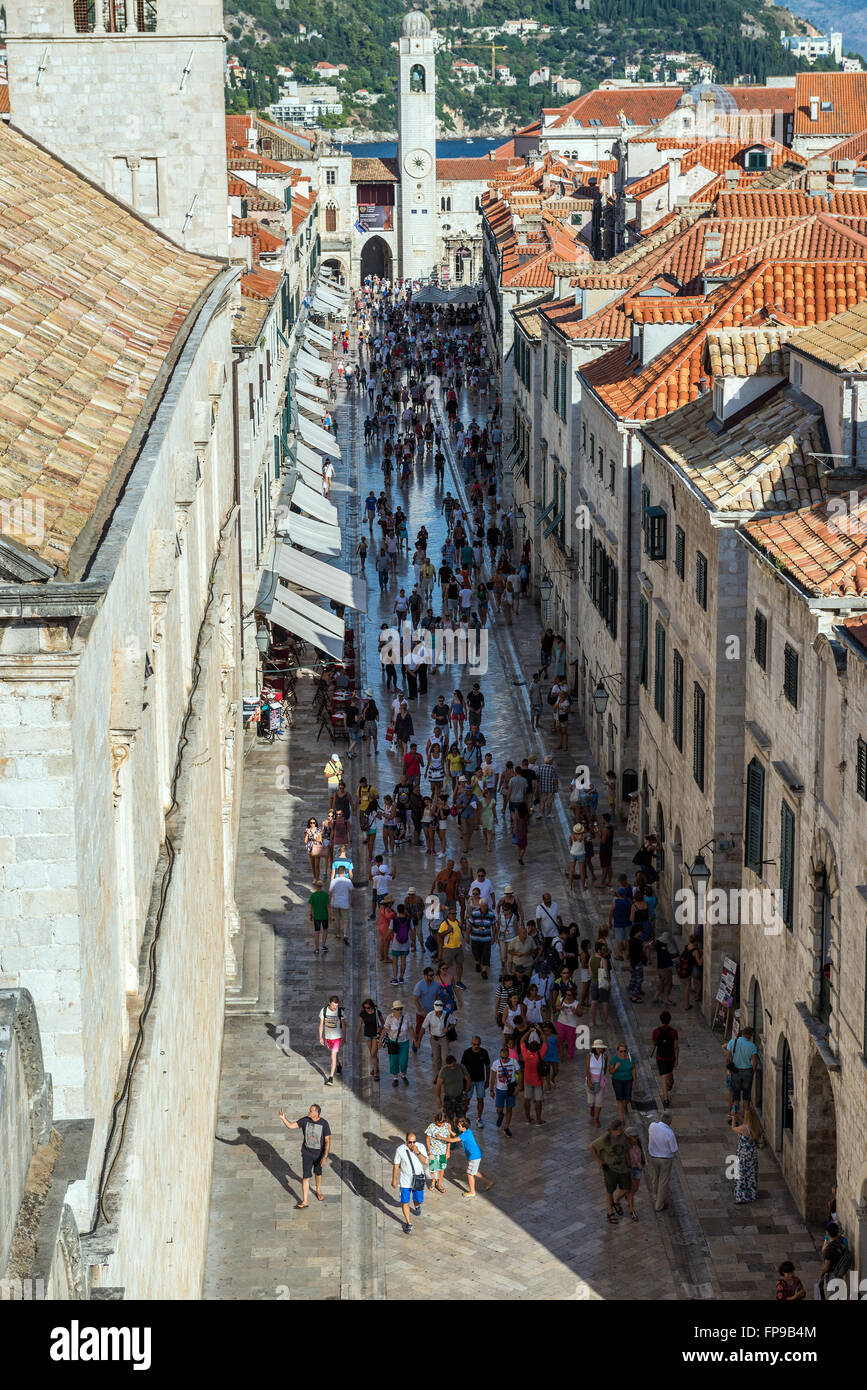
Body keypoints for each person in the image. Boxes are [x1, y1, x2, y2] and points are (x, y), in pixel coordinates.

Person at [277, 1104, 331, 1210]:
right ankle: (305, 1201)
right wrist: (283, 1118)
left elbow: (327, 1141)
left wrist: (325, 1156)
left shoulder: (324, 1123)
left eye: (311, 1111)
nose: (308, 1112)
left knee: (318, 1172)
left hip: (319, 1154)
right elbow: (291, 1126)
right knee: (306, 1176)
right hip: (307, 1153)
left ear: (316, 1113)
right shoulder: (305, 1120)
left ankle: (318, 1190)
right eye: (309, 1110)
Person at [589, 1118, 632, 1225]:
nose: (621, 1132)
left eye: (622, 1130)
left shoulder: (623, 1136)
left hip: (623, 1167)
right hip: (610, 1169)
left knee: (627, 1188)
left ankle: (616, 1201)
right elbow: (592, 1146)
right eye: (619, 1130)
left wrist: (629, 1164)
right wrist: (599, 1161)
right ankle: (610, 1213)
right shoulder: (605, 1138)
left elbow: (626, 1150)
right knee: (610, 1191)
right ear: (613, 1130)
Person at [392, 1132, 430, 1234]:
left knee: (419, 1199)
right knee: (405, 1201)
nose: (412, 1144)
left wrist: (417, 1152)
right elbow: (396, 1165)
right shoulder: (400, 1150)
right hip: (405, 1180)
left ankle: (417, 1205)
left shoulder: (420, 1147)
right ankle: (408, 1223)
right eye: (410, 1142)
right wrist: (394, 1179)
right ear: (406, 1141)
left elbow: (426, 1161)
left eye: (414, 1142)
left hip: (418, 1178)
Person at [724, 1026, 759, 1117]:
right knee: (746, 1098)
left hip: (735, 1072)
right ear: (749, 1036)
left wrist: (730, 1070)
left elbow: (727, 1059)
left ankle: (734, 1117)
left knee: (736, 1097)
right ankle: (746, 1119)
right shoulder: (752, 1046)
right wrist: (752, 1072)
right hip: (747, 1072)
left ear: (742, 1033)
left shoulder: (732, 1042)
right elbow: (755, 1062)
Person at [453, 1117, 493, 1197]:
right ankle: (489, 1182)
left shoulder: (465, 1135)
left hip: (474, 1157)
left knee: (469, 1173)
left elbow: (453, 1140)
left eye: (459, 1126)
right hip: (475, 1155)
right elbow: (457, 1136)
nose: (458, 1126)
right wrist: (450, 1131)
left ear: (464, 1127)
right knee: (474, 1172)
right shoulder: (467, 1132)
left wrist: (441, 1138)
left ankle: (472, 1192)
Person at [647, 1114, 678, 1212]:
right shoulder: (670, 1133)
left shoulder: (652, 1126)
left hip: (653, 1157)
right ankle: (659, 1205)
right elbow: (674, 1149)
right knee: (663, 1181)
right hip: (665, 1159)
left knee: (655, 1177)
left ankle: (655, 1196)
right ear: (670, 1122)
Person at [378, 1000, 411, 1087]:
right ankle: (395, 1077)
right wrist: (380, 1041)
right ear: (394, 1010)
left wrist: (416, 1040)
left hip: (404, 1042)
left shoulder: (406, 1017)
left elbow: (411, 1028)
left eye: (400, 1009)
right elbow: (385, 1030)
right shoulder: (389, 1018)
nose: (399, 1011)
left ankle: (403, 1074)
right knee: (393, 1060)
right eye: (397, 1009)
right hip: (393, 1042)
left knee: (403, 1061)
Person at [424, 1111, 457, 1195]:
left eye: (441, 1124)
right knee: (433, 1168)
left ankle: (439, 1184)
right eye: (438, 1123)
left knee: (441, 1168)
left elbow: (449, 1140)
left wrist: (448, 1151)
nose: (439, 1125)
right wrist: (429, 1151)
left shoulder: (447, 1126)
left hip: (443, 1152)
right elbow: (427, 1139)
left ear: (444, 1121)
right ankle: (433, 1181)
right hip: (433, 1152)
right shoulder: (431, 1126)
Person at [461, 1036, 491, 1128]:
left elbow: (487, 1066)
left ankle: (479, 1118)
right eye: (474, 1044)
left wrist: (487, 1080)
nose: (476, 1046)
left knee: (480, 1099)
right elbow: (462, 1067)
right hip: (469, 1081)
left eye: (478, 1044)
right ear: (471, 1043)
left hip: (480, 1080)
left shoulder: (484, 1052)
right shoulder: (467, 1052)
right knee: (467, 1100)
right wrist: (463, 1082)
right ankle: (463, 1118)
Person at [732, 1105, 759, 1204]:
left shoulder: (744, 1128)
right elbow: (746, 1123)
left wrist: (733, 1118)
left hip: (743, 1155)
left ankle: (741, 1197)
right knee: (750, 1174)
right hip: (751, 1154)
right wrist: (738, 1116)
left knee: (741, 1174)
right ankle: (751, 1194)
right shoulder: (753, 1127)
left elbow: (734, 1128)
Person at [652, 1011, 679, 1107]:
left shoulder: (656, 1031)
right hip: (670, 1057)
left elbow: (654, 1043)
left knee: (665, 1076)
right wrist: (676, 1059)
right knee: (666, 1076)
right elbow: (676, 1046)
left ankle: (666, 1097)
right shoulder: (673, 1032)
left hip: (660, 1056)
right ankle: (666, 1098)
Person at [521, 1032, 548, 1127]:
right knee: (538, 1101)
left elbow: (522, 1041)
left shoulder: (525, 1055)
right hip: (538, 1081)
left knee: (527, 1100)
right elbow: (545, 1041)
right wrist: (540, 1030)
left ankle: (528, 1118)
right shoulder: (540, 1055)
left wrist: (528, 1031)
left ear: (529, 1048)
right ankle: (538, 1120)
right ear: (538, 1048)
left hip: (527, 1080)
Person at [318, 994, 346, 1085]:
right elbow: (321, 1024)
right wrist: (320, 1037)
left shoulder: (340, 1011)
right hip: (328, 1037)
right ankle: (338, 1065)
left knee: (332, 1056)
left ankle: (330, 1078)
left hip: (337, 1037)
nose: (335, 1007)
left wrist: (344, 1037)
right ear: (329, 1003)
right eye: (333, 1005)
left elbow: (344, 1025)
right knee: (334, 1055)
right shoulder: (324, 1010)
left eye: (336, 1006)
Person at [355, 997, 384, 1079]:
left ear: (371, 1006)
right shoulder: (363, 1013)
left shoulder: (377, 1012)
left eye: (367, 1007)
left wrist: (380, 1028)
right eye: (365, 1007)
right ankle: (376, 1068)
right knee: (373, 1055)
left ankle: (375, 1073)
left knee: (373, 1054)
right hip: (367, 1035)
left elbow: (383, 1023)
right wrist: (356, 1036)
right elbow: (359, 1025)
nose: (366, 1009)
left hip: (375, 1035)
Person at [436, 1053, 470, 1123]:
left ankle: (460, 1132)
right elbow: (438, 1085)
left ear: (455, 1061)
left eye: (454, 1065)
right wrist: (438, 1098)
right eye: (450, 1066)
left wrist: (466, 1092)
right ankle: (451, 1132)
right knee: (448, 1118)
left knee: (461, 1117)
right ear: (447, 1065)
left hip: (460, 1097)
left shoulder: (461, 1067)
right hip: (448, 1098)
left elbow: (468, 1079)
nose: (453, 1067)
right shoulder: (444, 1070)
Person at [423, 998, 453, 1075]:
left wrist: (448, 1028)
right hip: (434, 1039)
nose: (438, 1012)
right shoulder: (430, 1015)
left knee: (445, 1058)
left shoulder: (447, 1015)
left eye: (440, 1011)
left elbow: (454, 1022)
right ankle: (438, 1075)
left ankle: (444, 1074)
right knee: (436, 1058)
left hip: (444, 1038)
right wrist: (419, 1040)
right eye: (437, 1011)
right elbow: (423, 1027)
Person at [609, 1041, 635, 1123]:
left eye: (625, 1051)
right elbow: (610, 1072)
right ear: (618, 1051)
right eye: (621, 1051)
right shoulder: (614, 1059)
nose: (623, 1053)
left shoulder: (631, 1057)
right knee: (620, 1099)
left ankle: (625, 1107)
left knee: (627, 1099)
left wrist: (635, 1081)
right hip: (617, 1080)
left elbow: (633, 1069)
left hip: (628, 1080)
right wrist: (616, 1067)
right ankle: (621, 1118)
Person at [328, 864, 353, 946]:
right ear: (345, 872)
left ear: (338, 872)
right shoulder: (348, 881)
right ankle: (345, 934)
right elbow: (351, 892)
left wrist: (329, 902)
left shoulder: (334, 881)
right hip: (345, 903)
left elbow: (330, 893)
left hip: (335, 902)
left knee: (336, 919)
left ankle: (337, 933)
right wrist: (352, 901)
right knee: (345, 920)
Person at [585, 1039, 608, 1126]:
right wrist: (589, 1081)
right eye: (598, 1048)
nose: (599, 1049)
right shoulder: (589, 1056)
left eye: (601, 1048)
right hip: (590, 1079)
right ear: (595, 1048)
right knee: (590, 1101)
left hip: (600, 1081)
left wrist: (601, 1079)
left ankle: (597, 1119)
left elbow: (604, 1070)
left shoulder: (605, 1056)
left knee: (599, 1101)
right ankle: (591, 1107)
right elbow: (587, 1069)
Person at [626, 1126, 645, 1220]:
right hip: (630, 1170)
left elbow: (641, 1155)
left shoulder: (638, 1143)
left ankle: (628, 1199)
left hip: (638, 1169)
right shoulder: (626, 1147)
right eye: (634, 1136)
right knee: (631, 1191)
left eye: (636, 1136)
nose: (636, 1138)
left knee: (635, 1189)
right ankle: (632, 1210)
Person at [307, 878, 330, 955]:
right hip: (324, 916)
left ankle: (316, 948)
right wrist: (330, 915)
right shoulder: (325, 895)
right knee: (325, 930)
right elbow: (328, 907)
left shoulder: (313, 895)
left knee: (317, 932)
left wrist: (310, 914)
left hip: (316, 916)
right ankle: (323, 945)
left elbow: (311, 906)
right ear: (322, 886)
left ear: (316, 887)